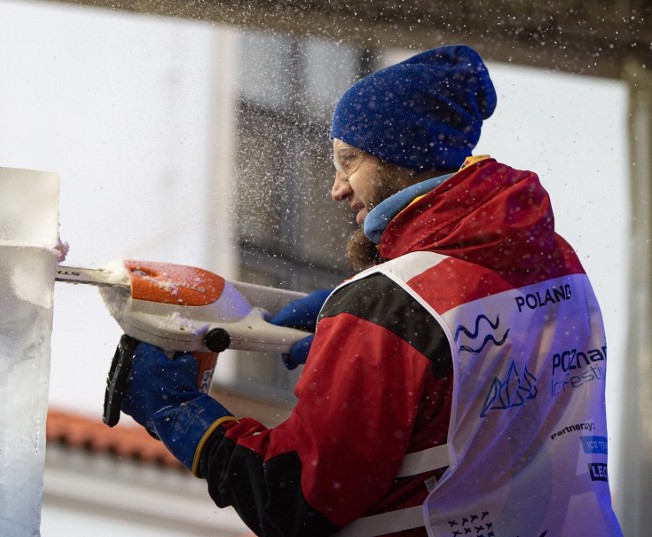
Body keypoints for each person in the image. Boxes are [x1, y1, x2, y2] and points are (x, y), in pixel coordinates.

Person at [119, 45, 623, 536]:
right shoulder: (556, 262)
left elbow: (294, 499)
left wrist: (182, 415)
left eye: (349, 160)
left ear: (401, 155)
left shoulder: (393, 304)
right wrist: (369, 336)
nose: (337, 188)